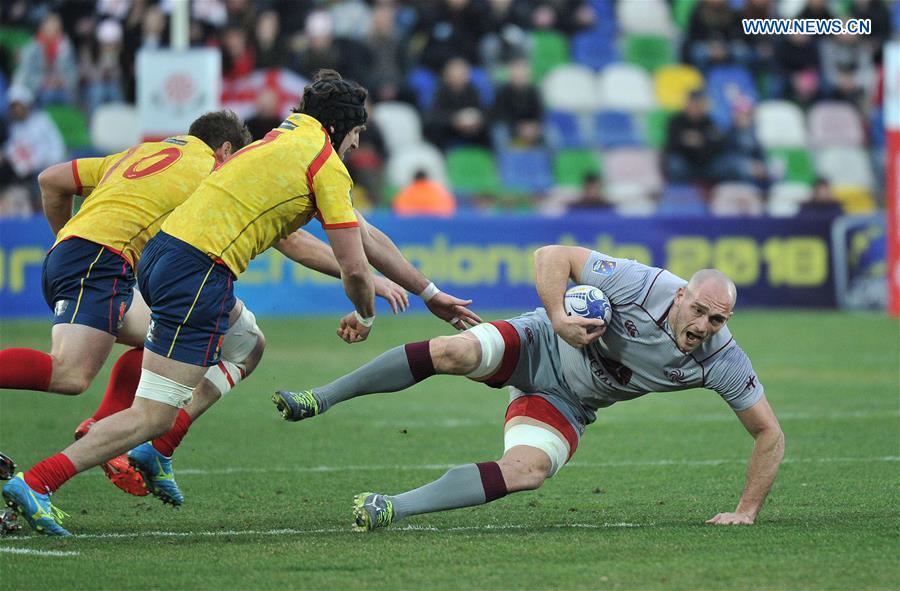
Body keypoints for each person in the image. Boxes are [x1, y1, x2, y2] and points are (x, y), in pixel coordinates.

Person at [3, 70, 480, 537]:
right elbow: (354, 264)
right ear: (339, 129)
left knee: (248, 344)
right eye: (356, 133)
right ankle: (41, 481)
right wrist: (365, 314)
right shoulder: (323, 163)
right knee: (149, 412)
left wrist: (429, 293)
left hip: (162, 256)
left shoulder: (279, 138)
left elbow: (366, 234)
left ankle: (158, 449)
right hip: (198, 272)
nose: (357, 146)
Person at [274, 245, 785, 531]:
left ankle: (393, 506)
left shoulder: (720, 358)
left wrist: (746, 511)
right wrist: (561, 318)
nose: (703, 326)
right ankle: (321, 396)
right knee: (454, 352)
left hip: (569, 401)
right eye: (698, 310)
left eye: (717, 320)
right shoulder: (644, 283)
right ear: (681, 296)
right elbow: (551, 255)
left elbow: (769, 434)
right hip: (541, 340)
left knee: (528, 472)